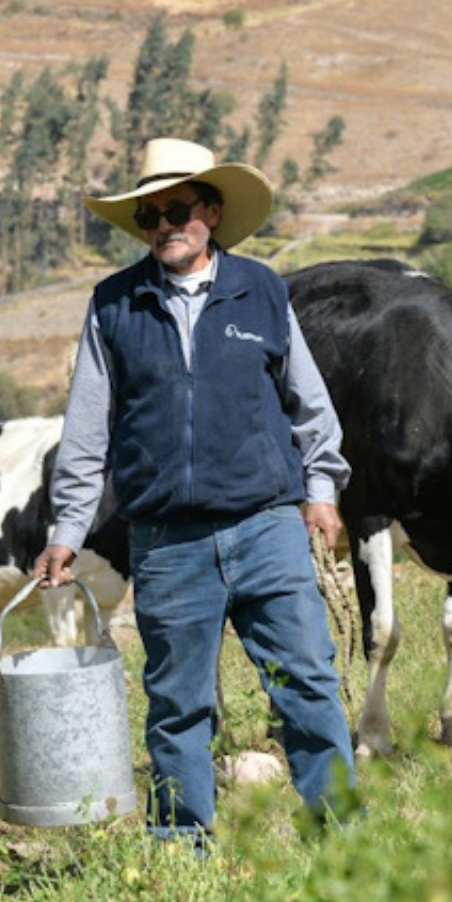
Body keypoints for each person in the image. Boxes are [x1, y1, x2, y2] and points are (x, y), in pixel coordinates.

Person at [32, 138, 355, 847]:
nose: (163, 226)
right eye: (148, 216)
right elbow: (86, 428)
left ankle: (340, 840)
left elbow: (310, 404)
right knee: (177, 705)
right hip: (167, 542)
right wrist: (67, 530)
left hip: (267, 525)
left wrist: (322, 489)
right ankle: (181, 853)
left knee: (306, 682)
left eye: (176, 211)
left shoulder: (262, 291)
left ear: (211, 212)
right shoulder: (114, 305)